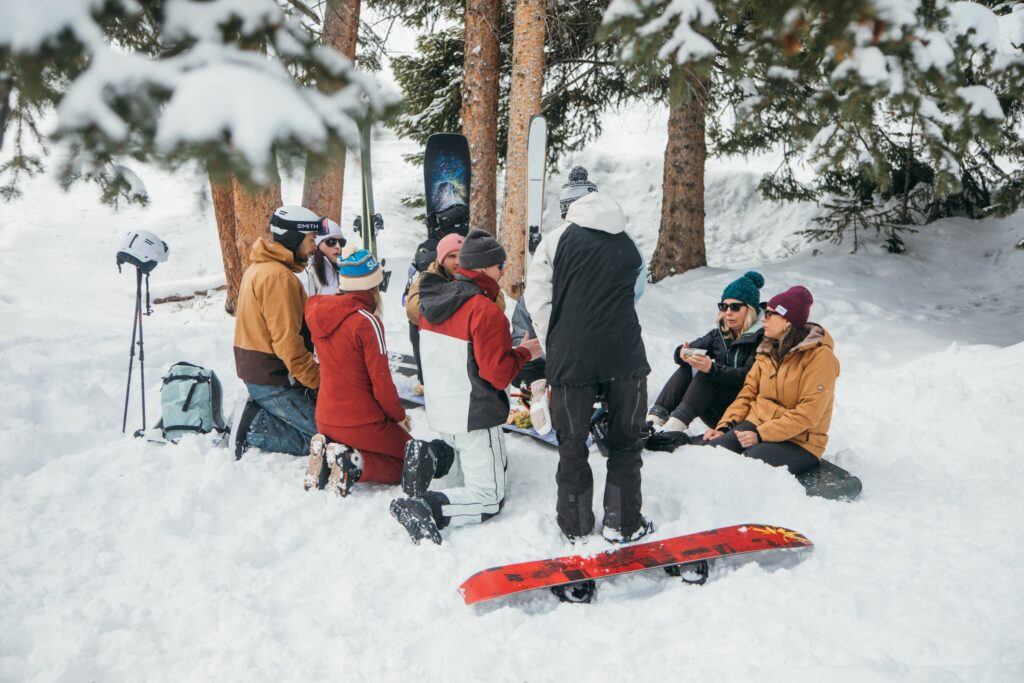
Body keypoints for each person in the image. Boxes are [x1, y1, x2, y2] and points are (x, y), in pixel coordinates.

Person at [390, 230, 542, 545]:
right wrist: (527, 351)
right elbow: (498, 375)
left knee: (463, 470)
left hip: (443, 407)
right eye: (501, 265)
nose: (504, 272)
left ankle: (433, 454)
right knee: (489, 496)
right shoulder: (486, 311)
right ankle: (428, 508)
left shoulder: (435, 300)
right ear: (486, 267)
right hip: (474, 413)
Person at [525, 191, 652, 544]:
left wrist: (557, 341)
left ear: (571, 210)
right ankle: (623, 523)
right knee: (626, 443)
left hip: (573, 357)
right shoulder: (627, 241)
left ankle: (575, 524)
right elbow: (636, 292)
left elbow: (537, 298)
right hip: (625, 353)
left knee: (572, 443)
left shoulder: (555, 240)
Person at [304, 248, 410, 496]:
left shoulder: (319, 311)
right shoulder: (366, 321)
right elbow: (381, 383)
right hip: (360, 420)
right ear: (374, 284)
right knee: (411, 460)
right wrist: (398, 417)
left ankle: (330, 458)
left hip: (325, 417)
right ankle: (353, 464)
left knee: (383, 447)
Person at [701, 286, 839, 474]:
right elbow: (747, 394)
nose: (763, 319)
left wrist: (761, 434)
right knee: (715, 451)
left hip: (800, 441)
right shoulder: (767, 350)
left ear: (787, 322)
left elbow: (809, 413)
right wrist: (725, 427)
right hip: (757, 423)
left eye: (770, 314)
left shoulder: (820, 357)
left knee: (749, 462)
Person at [231, 205, 322, 458]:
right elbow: (287, 343)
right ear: (294, 238)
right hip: (273, 379)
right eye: (311, 239)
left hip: (267, 372)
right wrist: (316, 380)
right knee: (323, 437)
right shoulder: (277, 277)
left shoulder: (263, 268)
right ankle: (251, 428)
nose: (314, 246)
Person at [647, 271, 766, 435]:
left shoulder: (762, 338)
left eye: (735, 307)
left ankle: (673, 428)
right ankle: (653, 420)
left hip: (740, 414)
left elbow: (749, 377)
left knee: (708, 373)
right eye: (724, 307)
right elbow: (690, 351)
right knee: (690, 367)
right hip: (716, 407)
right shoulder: (720, 334)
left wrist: (712, 369)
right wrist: (683, 353)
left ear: (750, 309)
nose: (728, 312)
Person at [404, 233, 505, 388]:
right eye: (451, 256)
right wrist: (452, 306)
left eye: (461, 256)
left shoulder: (477, 276)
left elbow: (498, 306)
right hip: (437, 337)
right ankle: (426, 378)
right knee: (416, 326)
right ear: (441, 259)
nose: (457, 261)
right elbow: (413, 310)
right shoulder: (429, 278)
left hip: (466, 339)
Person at [299, 219, 346, 296]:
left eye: (341, 242)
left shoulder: (345, 267)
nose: (338, 246)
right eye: (331, 242)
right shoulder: (307, 270)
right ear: (317, 243)